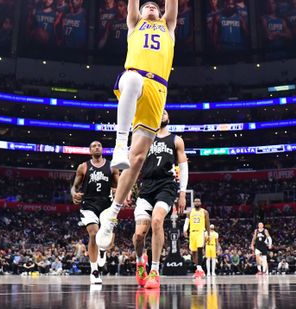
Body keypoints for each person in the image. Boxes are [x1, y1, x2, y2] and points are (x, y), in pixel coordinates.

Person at [96, 0, 179, 254]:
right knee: (130, 78)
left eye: (154, 7)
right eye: (146, 6)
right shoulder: (134, 24)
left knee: (139, 157)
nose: (150, 8)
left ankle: (113, 214)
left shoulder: (168, 28)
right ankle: (118, 145)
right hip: (135, 79)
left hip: (158, 92)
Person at [131, 113, 188, 289]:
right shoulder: (145, 139)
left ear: (168, 118)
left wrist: (182, 193)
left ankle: (154, 271)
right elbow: (134, 164)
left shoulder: (176, 140)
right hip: (146, 186)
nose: (163, 113)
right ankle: (141, 262)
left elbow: (183, 167)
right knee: (139, 234)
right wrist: (127, 189)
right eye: (160, 111)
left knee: (157, 221)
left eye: (166, 112)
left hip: (167, 186)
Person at [71, 140, 120, 285]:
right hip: (89, 204)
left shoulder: (112, 166)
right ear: (90, 150)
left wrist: (119, 191)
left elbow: (119, 186)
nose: (97, 147)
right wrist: (74, 194)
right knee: (93, 233)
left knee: (107, 239)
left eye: (99, 145)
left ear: (102, 149)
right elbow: (74, 187)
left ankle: (103, 250)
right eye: (93, 146)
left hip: (107, 205)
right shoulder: (83, 167)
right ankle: (94, 271)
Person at [185, 197, 210, 278]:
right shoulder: (190, 212)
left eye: (198, 201)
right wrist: (185, 230)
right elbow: (186, 222)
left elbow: (207, 224)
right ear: (193, 203)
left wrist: (209, 234)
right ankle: (199, 269)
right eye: (195, 201)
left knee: (200, 250)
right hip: (192, 233)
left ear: (200, 203)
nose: (197, 202)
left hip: (200, 232)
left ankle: (199, 268)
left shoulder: (204, 212)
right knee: (193, 252)